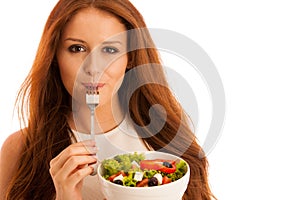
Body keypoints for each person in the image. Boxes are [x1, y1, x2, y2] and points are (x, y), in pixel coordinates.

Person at [0, 0, 216, 199]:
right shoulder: (20, 149)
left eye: (110, 50)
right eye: (77, 48)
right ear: (54, 57)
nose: (93, 67)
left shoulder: (166, 139)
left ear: (130, 58)